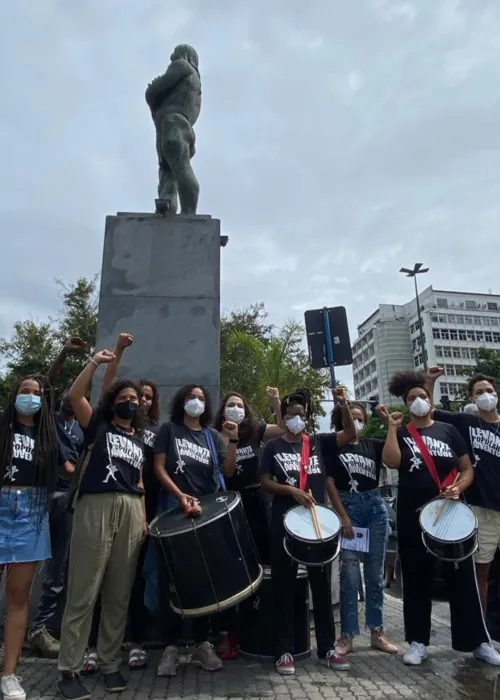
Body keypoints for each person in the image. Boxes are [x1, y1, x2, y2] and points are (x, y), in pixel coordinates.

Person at [381, 370, 500, 666]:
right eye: (412, 398)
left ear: (429, 400)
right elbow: (392, 461)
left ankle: (478, 642)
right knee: (417, 577)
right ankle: (418, 641)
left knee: (463, 579)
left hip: (451, 512)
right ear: (405, 404)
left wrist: (459, 487)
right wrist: (391, 429)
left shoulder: (448, 430)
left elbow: (466, 468)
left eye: (422, 396)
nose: (419, 401)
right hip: (413, 513)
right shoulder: (404, 432)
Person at [57, 350, 147, 700]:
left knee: (118, 592)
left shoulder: (138, 438)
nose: (130, 403)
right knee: (84, 589)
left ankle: (110, 662)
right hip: (96, 504)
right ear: (113, 404)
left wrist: (141, 517)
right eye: (124, 398)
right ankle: (69, 667)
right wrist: (95, 362)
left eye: (135, 399)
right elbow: (74, 396)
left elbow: (139, 480)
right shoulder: (100, 425)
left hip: (131, 508)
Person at [80, 333, 162, 673]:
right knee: (94, 583)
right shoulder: (107, 425)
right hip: (105, 506)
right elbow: (102, 393)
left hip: (142, 510)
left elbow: (147, 475)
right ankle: (89, 650)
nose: (139, 401)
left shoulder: (153, 433)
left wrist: (144, 515)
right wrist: (116, 353)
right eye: (133, 396)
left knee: (130, 583)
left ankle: (129, 647)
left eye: (145, 397)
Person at [260, 387, 354, 676]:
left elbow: (350, 434)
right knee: (284, 588)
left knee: (321, 589)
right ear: (283, 418)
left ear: (307, 417)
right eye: (290, 415)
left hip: (317, 526)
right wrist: (290, 489)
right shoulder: (273, 446)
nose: (295, 419)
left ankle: (327, 647)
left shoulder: (317, 443)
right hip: (284, 523)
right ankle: (284, 650)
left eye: (300, 415)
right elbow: (264, 481)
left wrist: (344, 405)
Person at [150, 384, 238, 676]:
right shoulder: (169, 430)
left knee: (204, 582)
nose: (196, 402)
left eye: (201, 398)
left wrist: (233, 441)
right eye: (191, 397)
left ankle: (202, 643)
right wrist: (179, 495)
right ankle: (171, 647)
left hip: (205, 515)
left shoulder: (212, 437)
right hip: (172, 513)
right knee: (171, 581)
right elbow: (159, 467)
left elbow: (227, 472)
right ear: (181, 401)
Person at [0, 375, 65, 700]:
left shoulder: (48, 433)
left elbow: (67, 465)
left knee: (18, 595)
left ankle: (9, 672)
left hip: (33, 509)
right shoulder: (3, 427)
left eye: (37, 393)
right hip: (2, 502)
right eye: (25, 391)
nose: (31, 396)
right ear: (14, 396)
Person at [212, 387, 285, 657]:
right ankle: (229, 633)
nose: (236, 409)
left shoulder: (256, 429)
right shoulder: (217, 435)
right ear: (223, 410)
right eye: (231, 404)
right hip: (231, 502)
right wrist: (230, 439)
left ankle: (268, 625)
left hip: (260, 501)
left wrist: (276, 402)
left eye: (240, 405)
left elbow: (281, 428)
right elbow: (227, 470)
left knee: (265, 562)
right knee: (232, 566)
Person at [324, 401, 398, 656]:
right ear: (341, 421)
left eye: (360, 418)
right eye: (350, 418)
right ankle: (347, 635)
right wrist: (342, 516)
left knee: (375, 576)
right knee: (350, 575)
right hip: (350, 509)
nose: (356, 422)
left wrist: (390, 425)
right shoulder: (333, 446)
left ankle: (377, 631)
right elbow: (330, 484)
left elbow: (392, 461)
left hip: (375, 506)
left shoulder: (374, 445)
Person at [29, 337, 87, 658]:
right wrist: (64, 353)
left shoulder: (79, 427)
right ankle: (14, 627)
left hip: (68, 502)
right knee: (22, 565)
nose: (70, 397)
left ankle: (39, 629)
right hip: (41, 498)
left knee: (57, 569)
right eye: (68, 392)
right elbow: (44, 384)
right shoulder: (46, 419)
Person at [427, 368, 500, 618]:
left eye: (489, 391)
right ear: (472, 398)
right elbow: (427, 413)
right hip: (481, 509)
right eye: (479, 392)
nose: (486, 396)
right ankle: (482, 631)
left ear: (497, 394)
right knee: (481, 571)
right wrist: (430, 381)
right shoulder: (465, 421)